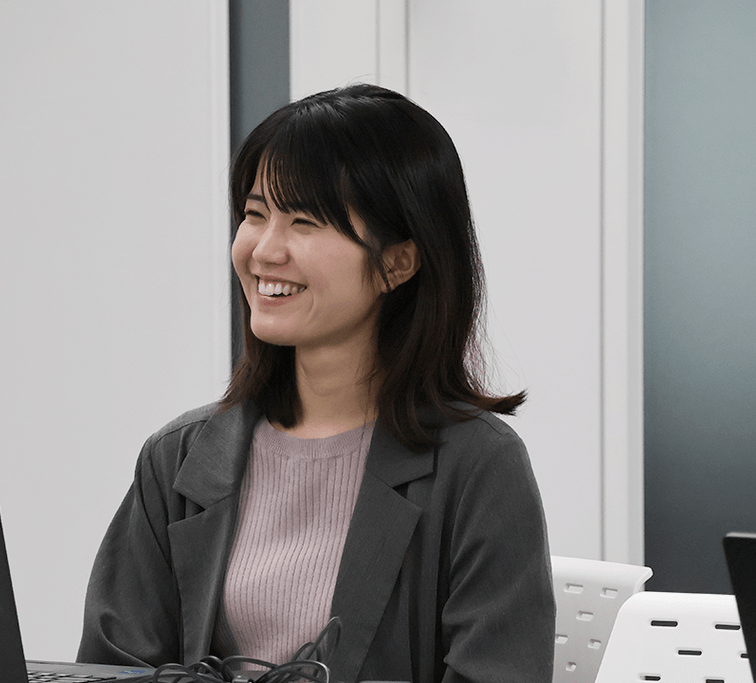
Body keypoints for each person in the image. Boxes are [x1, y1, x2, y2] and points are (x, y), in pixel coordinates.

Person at [78, 84, 555, 683]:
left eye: (304, 221)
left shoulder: (480, 466)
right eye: (255, 214)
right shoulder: (177, 458)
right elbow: (109, 671)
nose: (264, 250)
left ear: (397, 262)